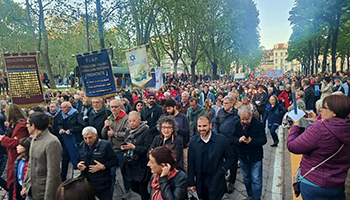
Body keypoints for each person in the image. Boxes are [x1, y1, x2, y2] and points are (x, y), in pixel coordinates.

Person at [287, 95, 350, 200]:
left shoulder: (318, 129)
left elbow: (292, 146)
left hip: (314, 183)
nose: (321, 110)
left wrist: (296, 125)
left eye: (324, 108)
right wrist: (317, 121)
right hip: (339, 184)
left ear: (334, 112)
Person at [188, 115, 234, 200]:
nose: (202, 129)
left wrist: (223, 169)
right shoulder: (194, 142)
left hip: (216, 179)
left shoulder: (221, 140)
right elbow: (191, 162)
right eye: (199, 126)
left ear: (210, 125)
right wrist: (191, 182)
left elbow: (230, 157)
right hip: (201, 180)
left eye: (204, 126)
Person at [22, 112, 62, 200]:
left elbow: (53, 173)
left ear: (33, 126)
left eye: (27, 123)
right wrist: (25, 185)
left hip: (43, 191)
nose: (26, 126)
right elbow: (30, 165)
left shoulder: (52, 142)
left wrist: (48, 197)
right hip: (32, 189)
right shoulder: (34, 139)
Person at [232, 105, 267, 200]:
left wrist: (252, 141)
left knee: (256, 179)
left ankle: (256, 198)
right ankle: (250, 195)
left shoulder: (258, 124)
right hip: (243, 156)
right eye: (242, 119)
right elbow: (232, 138)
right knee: (246, 178)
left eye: (246, 119)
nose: (244, 121)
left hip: (255, 156)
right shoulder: (236, 124)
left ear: (251, 115)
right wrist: (238, 140)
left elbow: (263, 140)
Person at [77, 126, 117, 200]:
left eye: (90, 137)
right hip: (88, 182)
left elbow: (114, 160)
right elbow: (79, 159)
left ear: (96, 135)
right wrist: (79, 165)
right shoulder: (82, 145)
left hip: (103, 182)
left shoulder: (105, 145)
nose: (88, 141)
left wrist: (103, 166)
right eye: (85, 138)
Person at [101, 99, 131, 198]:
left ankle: (127, 189)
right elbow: (103, 134)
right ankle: (110, 193)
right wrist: (105, 127)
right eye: (112, 107)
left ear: (120, 107)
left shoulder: (126, 118)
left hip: (121, 149)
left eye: (116, 107)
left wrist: (114, 134)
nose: (113, 109)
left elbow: (128, 134)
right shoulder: (109, 118)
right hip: (111, 150)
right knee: (111, 173)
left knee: (124, 171)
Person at [121, 111, 153, 200]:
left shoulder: (146, 131)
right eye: (130, 121)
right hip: (131, 163)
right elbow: (127, 142)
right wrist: (124, 147)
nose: (132, 123)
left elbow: (147, 148)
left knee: (142, 188)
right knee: (133, 187)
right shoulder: (128, 131)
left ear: (139, 120)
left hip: (142, 164)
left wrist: (135, 147)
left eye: (134, 120)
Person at [0, 104, 28, 199]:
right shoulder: (13, 125)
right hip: (11, 156)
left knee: (15, 183)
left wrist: (3, 139)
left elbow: (17, 142)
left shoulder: (21, 126)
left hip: (17, 157)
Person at [213, 96, 239, 193]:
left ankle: (232, 181)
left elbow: (238, 128)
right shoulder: (220, 112)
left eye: (227, 103)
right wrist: (216, 134)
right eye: (224, 103)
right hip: (221, 141)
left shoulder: (236, 114)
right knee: (220, 161)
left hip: (232, 143)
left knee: (233, 163)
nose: (224, 105)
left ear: (232, 103)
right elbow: (217, 123)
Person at [165, 99, 190, 172]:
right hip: (170, 146)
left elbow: (187, 131)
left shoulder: (183, 117)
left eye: (169, 108)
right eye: (167, 109)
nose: (168, 111)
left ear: (174, 107)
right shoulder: (167, 117)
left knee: (185, 165)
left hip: (183, 146)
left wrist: (176, 129)